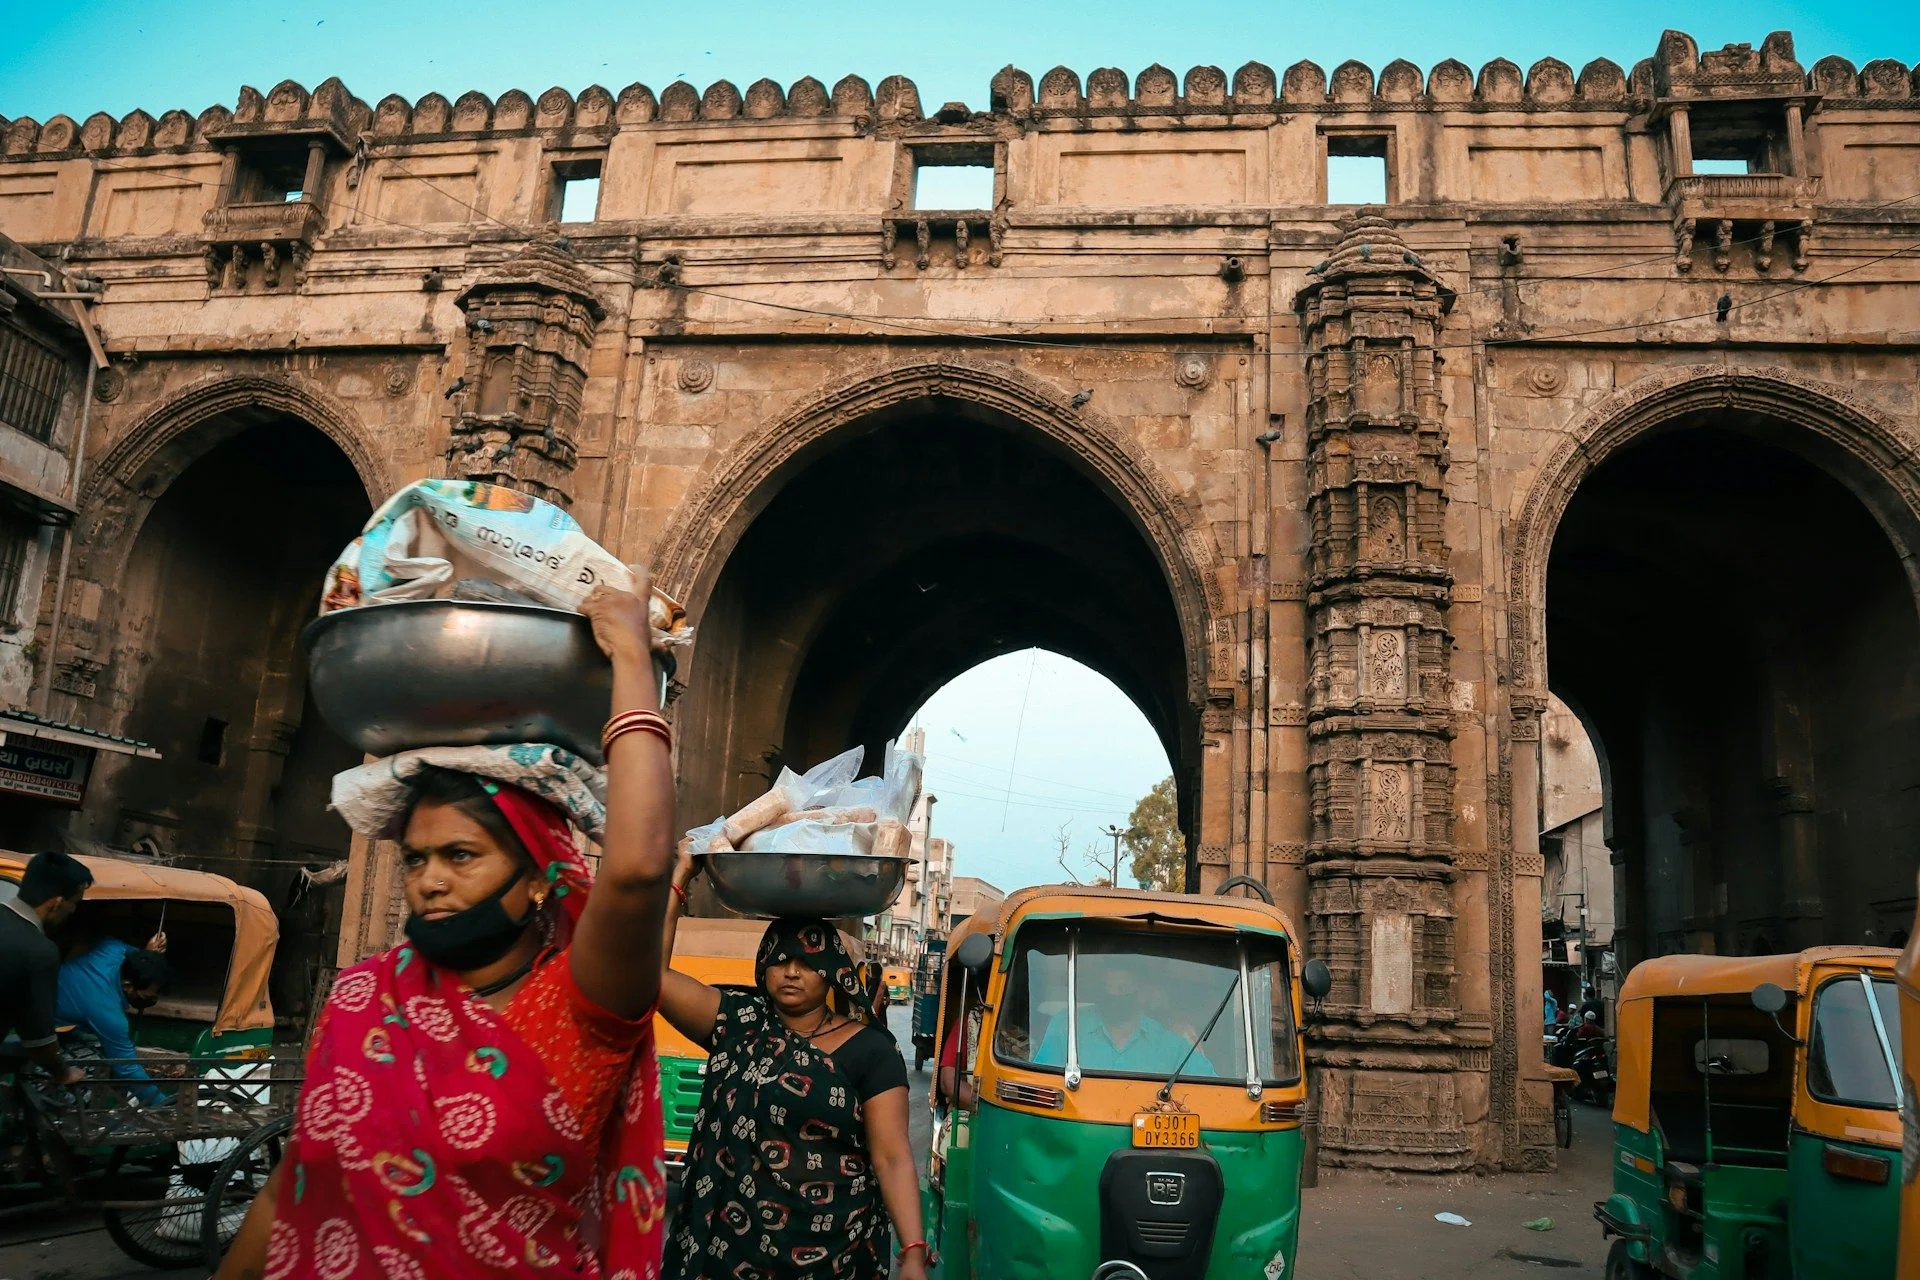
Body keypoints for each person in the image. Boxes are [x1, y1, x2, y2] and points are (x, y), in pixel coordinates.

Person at [216, 583, 677, 1280]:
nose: (429, 881)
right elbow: (294, 1182)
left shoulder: (578, 1007)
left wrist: (632, 657)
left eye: (460, 856)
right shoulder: (363, 999)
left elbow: (640, 867)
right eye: (415, 859)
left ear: (538, 877)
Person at [659, 850, 927, 1280]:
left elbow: (893, 1157)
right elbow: (649, 976)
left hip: (835, 1254)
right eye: (780, 959)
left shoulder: (871, 1050)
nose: (792, 972)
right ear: (763, 967)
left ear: (832, 974)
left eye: (808, 962)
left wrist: (913, 1252)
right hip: (730, 1254)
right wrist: (679, 881)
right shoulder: (738, 1024)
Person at [1032, 954, 1213, 1078]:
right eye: (1108, 989)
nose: (1115, 998)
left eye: (1123, 989)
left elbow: (1214, 1092)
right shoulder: (1068, 1025)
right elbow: (1041, 1081)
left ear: (1142, 991)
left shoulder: (1173, 1042)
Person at [0, 851, 92, 1087]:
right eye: (74, 904)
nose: (72, 912)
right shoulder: (38, 952)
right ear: (57, 903)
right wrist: (63, 1073)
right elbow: (40, 1043)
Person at [56, 938, 170, 1105]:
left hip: (65, 1011)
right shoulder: (107, 1013)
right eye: (149, 997)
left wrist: (147, 955)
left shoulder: (113, 950)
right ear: (127, 985)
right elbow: (127, 1068)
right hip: (44, 1031)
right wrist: (163, 1104)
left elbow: (112, 945)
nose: (154, 1000)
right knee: (98, 1066)